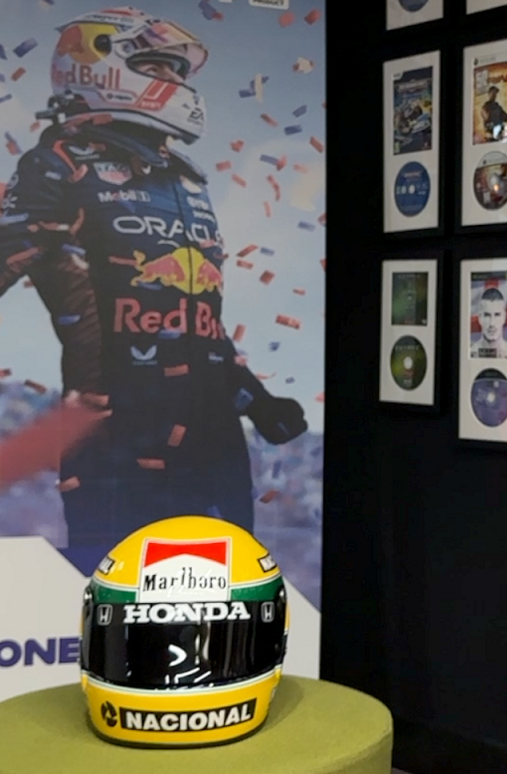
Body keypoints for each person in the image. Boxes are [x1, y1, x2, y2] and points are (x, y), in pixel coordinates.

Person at [0, 7, 306, 575]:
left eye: (178, 70)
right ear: (98, 69)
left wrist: (254, 398)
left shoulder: (187, 179)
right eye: (158, 66)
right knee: (116, 611)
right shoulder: (58, 164)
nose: (178, 84)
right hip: (116, 437)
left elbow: (199, 316)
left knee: (225, 601)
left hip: (214, 441)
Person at [471, 287, 507, 358]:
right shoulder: (469, 353)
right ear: (479, 318)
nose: (492, 323)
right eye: (487, 315)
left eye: (497, 315)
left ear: (504, 317)